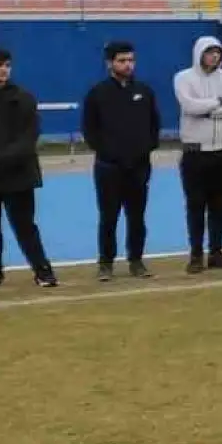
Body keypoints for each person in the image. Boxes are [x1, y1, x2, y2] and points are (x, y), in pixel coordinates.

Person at [0, 47, 57, 289]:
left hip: (19, 172)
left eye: (7, 65)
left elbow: (30, 133)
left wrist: (10, 155)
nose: (3, 69)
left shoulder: (23, 98)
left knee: (25, 225)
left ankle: (43, 271)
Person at [82, 40, 161, 282]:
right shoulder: (98, 93)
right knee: (108, 217)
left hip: (138, 167)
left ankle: (136, 260)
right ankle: (105, 263)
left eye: (130, 60)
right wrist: (108, 153)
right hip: (109, 168)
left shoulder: (144, 91)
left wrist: (144, 150)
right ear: (110, 63)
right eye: (122, 61)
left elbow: (154, 125)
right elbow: (89, 129)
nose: (128, 65)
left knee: (137, 217)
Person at [173, 36, 222, 273]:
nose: (215, 57)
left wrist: (210, 111)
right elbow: (189, 106)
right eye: (210, 52)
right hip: (195, 153)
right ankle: (195, 254)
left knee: (219, 204)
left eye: (218, 53)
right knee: (195, 205)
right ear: (199, 53)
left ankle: (216, 251)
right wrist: (217, 102)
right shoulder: (183, 78)